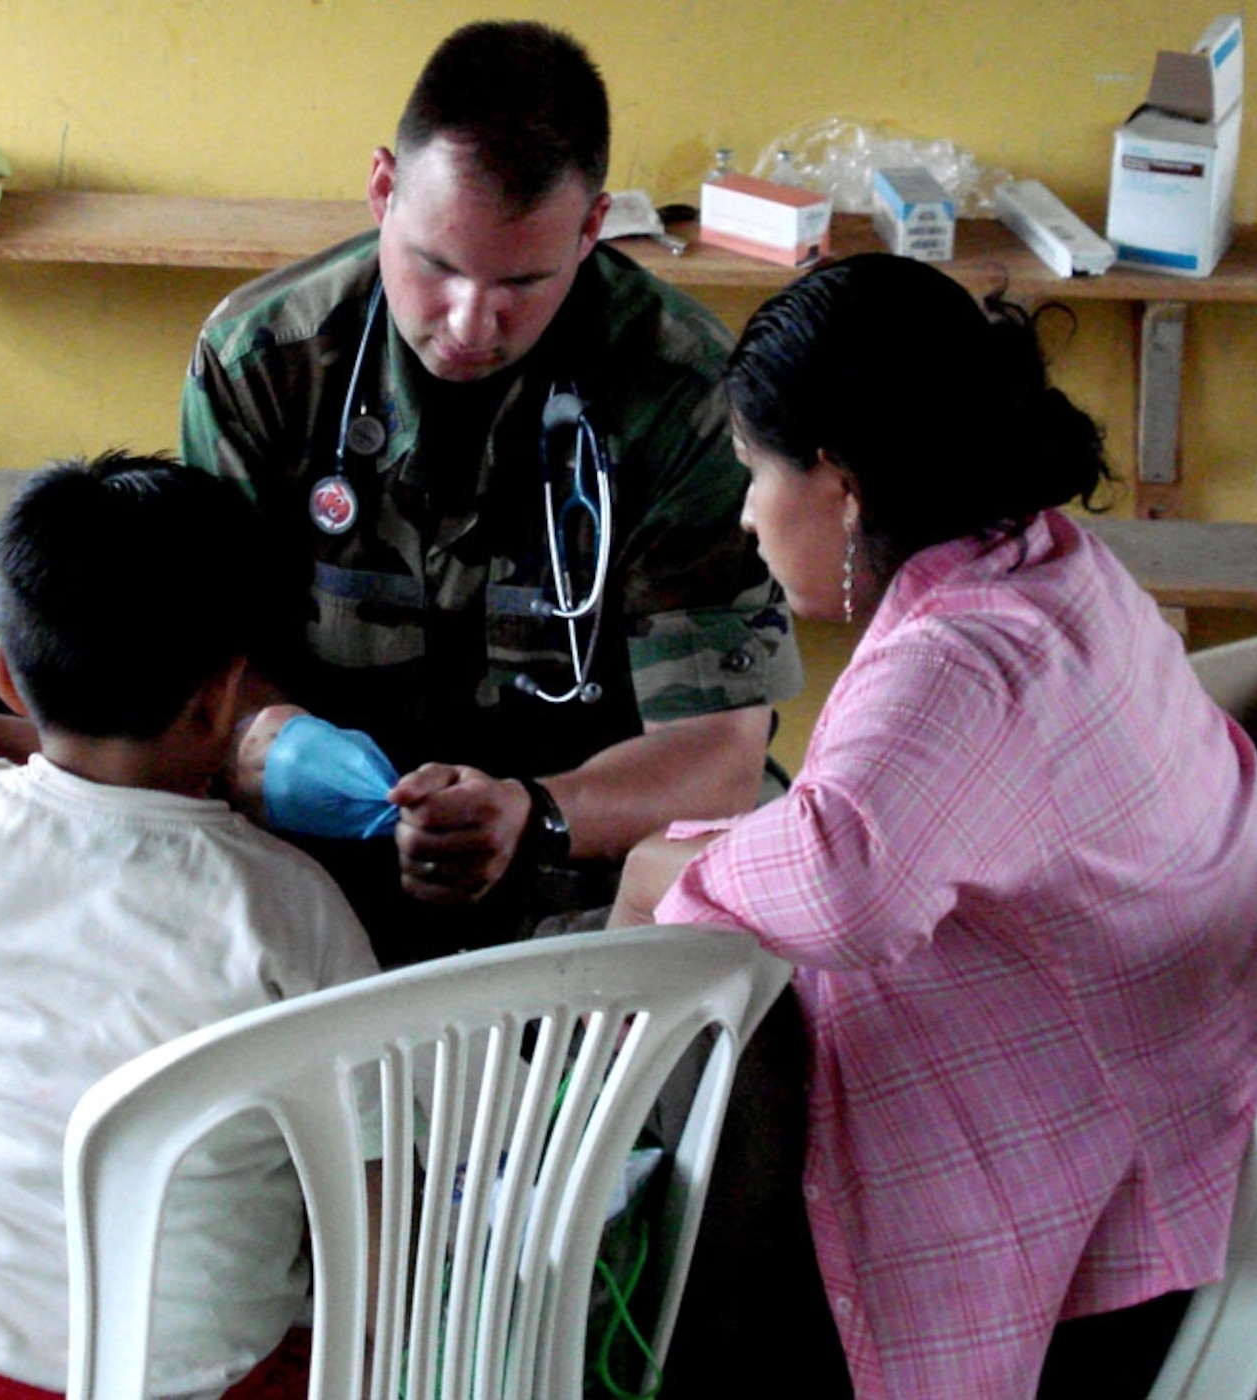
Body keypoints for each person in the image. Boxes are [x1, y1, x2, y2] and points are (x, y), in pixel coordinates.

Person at [615, 255, 1257, 1399]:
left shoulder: (959, 661)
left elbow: (847, 886)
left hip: (1140, 1215)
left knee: (722, 1051)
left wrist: (663, 864)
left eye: (754, 470)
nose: (745, 513)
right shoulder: (1047, 561)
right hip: (1229, 1098)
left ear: (840, 483)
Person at [179, 19, 799, 962]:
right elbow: (195, 665)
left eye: (522, 280)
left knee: (758, 885)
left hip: (583, 856)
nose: (472, 322)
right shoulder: (264, 362)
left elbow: (716, 748)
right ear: (384, 189)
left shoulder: (683, 392)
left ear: (593, 228)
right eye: (436, 265)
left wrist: (537, 814)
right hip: (312, 854)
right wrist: (276, 740)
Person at [0, 452, 380, 1400]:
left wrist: (64, 750)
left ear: (8, 676)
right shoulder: (290, 906)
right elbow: (372, 1174)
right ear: (226, 695)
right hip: (194, 1380)